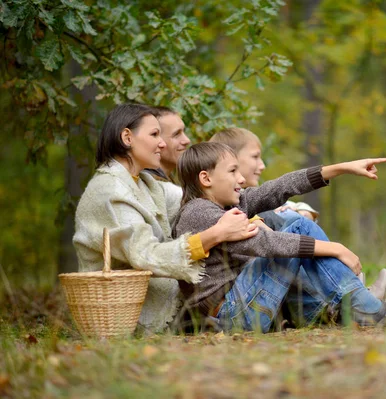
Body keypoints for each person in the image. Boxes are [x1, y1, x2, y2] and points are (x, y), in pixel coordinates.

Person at [172, 142, 386, 332]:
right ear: (205, 178)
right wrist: (334, 248)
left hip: (242, 308)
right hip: (233, 316)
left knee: (296, 228)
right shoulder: (198, 212)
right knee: (298, 229)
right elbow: (265, 243)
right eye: (233, 171)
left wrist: (340, 168)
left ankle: (345, 308)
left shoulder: (225, 207)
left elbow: (278, 187)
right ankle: (365, 309)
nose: (241, 178)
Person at [72, 104, 258, 334]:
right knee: (269, 260)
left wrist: (274, 212)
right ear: (127, 137)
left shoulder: (144, 184)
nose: (162, 143)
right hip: (131, 316)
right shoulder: (109, 192)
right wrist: (216, 234)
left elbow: (207, 198)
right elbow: (145, 255)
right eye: (154, 134)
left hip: (165, 300)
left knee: (280, 231)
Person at [209, 127, 386, 299]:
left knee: (291, 218)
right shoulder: (220, 210)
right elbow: (271, 240)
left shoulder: (247, 198)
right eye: (255, 157)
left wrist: (304, 211)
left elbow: (284, 188)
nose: (262, 165)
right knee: (288, 223)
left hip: (270, 279)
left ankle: (350, 294)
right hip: (251, 290)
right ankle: (350, 294)